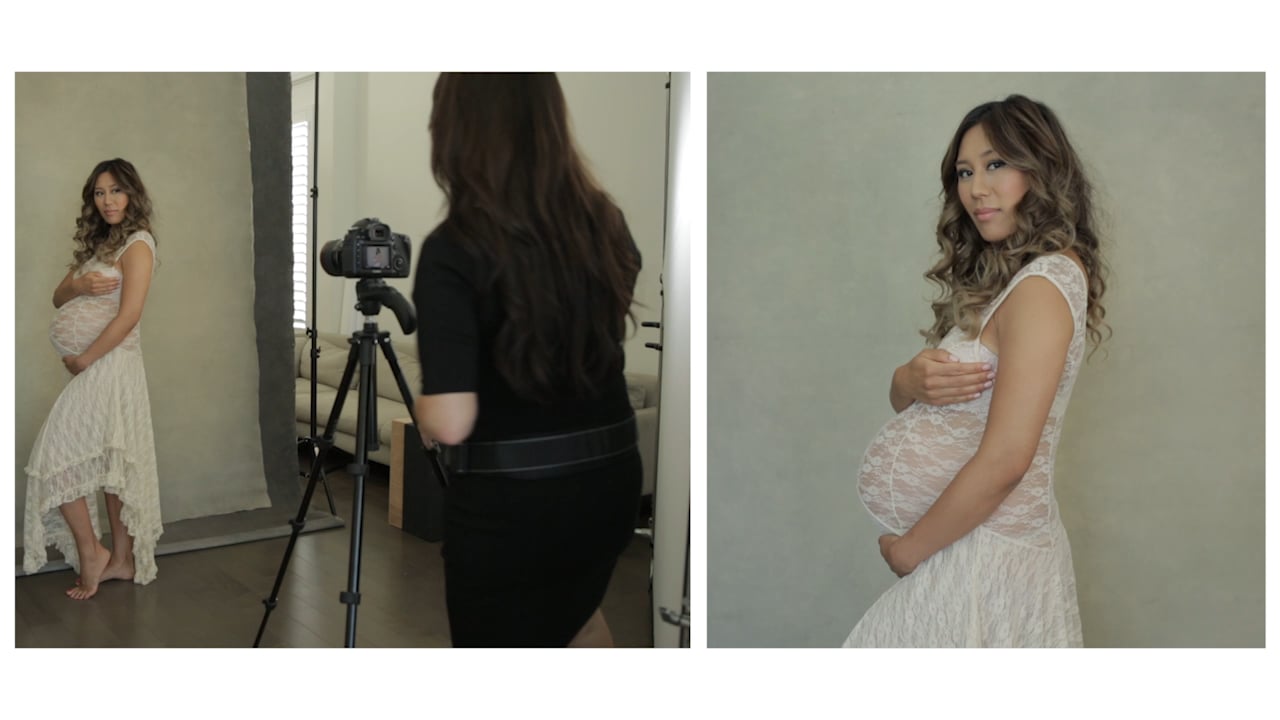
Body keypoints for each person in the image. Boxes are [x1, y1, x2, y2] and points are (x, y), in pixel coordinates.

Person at [844, 95, 1108, 647]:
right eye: (965, 172)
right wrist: (905, 381)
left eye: (995, 165)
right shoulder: (1011, 278)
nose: (975, 189)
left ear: (1042, 169)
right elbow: (935, 409)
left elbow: (1009, 459)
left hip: (987, 558)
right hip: (968, 549)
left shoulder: (1042, 286)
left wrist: (908, 550)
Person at [413, 73, 644, 647]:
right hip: (610, 485)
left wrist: (424, 409)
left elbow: (449, 421)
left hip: (514, 508)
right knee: (579, 616)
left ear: (455, 131)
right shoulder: (604, 225)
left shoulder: (453, 249)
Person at [24, 158, 164, 600]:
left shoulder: (138, 245)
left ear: (132, 194)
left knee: (67, 459)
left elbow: (131, 315)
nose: (108, 201)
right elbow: (57, 296)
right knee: (107, 463)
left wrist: (84, 360)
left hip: (111, 365)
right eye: (100, 193)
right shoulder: (98, 245)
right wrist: (80, 288)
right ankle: (116, 560)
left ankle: (98, 556)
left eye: (116, 191)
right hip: (97, 365)